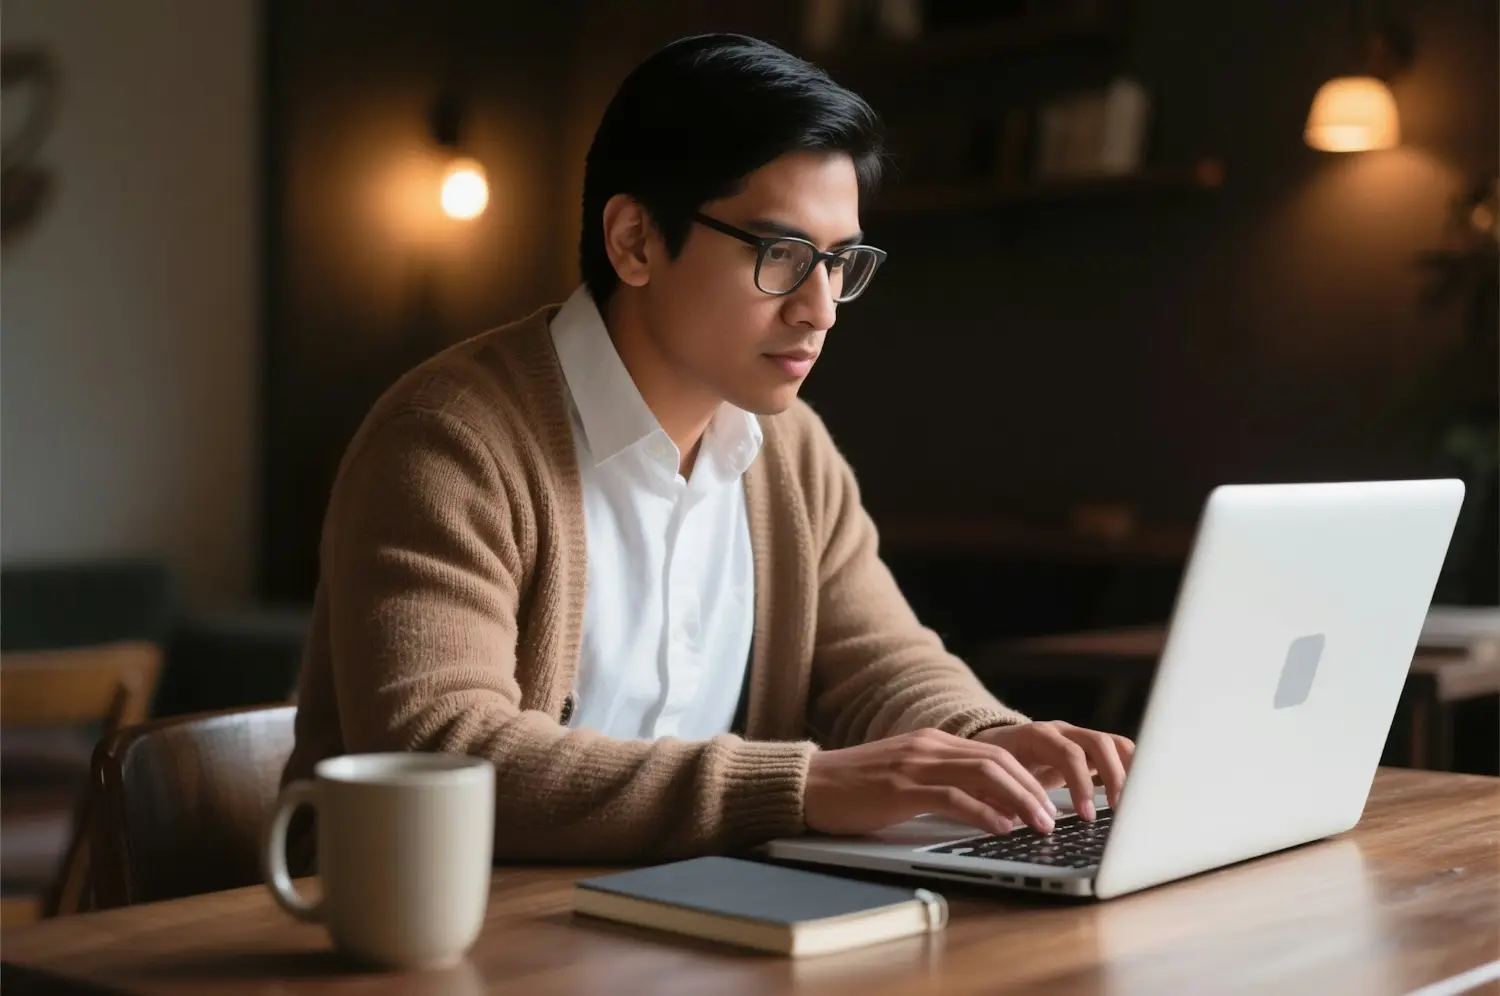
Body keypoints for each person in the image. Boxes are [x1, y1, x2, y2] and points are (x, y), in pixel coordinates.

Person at [282, 32, 1133, 863]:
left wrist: (995, 742)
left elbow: (881, 663)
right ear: (635, 242)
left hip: (683, 929)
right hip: (429, 945)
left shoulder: (791, 451)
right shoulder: (451, 440)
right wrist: (799, 788)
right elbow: (443, 756)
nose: (821, 308)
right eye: (781, 254)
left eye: (839, 261)